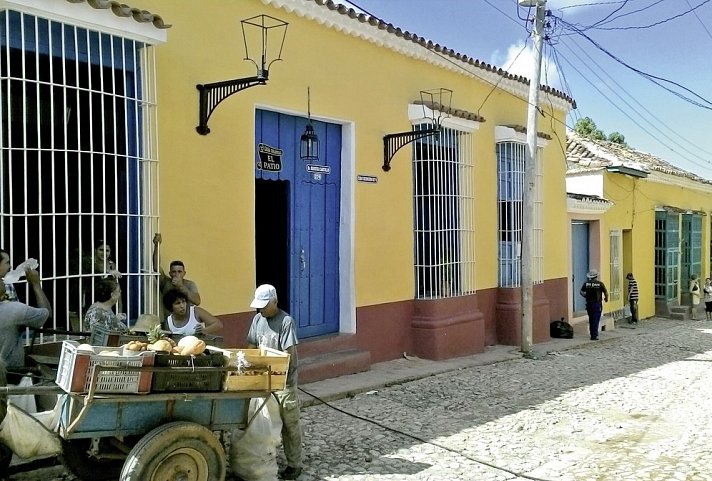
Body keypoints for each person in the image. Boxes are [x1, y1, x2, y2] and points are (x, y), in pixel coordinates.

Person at [246, 284, 303, 480]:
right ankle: (266, 458)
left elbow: (289, 355)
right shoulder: (257, 319)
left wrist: (275, 370)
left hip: (284, 382)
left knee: (289, 423)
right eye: (258, 306)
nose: (260, 309)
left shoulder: (286, 321)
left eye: (264, 305)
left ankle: (295, 463)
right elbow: (252, 346)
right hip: (264, 380)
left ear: (275, 302)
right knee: (262, 422)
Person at [0, 267, 52, 368]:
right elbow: (47, 314)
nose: (3, 280)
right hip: (10, 372)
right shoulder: (13, 309)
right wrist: (36, 284)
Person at [153, 233, 201, 321]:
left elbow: (197, 301)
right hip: (169, 322)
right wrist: (157, 246)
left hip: (187, 322)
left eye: (179, 272)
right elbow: (156, 266)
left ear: (184, 273)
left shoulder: (190, 284)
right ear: (170, 273)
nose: (176, 274)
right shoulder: (165, 282)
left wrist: (181, 286)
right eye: (174, 272)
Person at [580, 269, 608, 341]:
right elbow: (605, 292)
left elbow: (581, 292)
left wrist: (586, 296)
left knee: (591, 318)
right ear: (596, 276)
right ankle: (594, 335)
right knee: (596, 319)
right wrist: (606, 299)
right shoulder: (600, 284)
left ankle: (592, 333)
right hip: (597, 304)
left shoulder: (586, 283)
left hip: (589, 304)